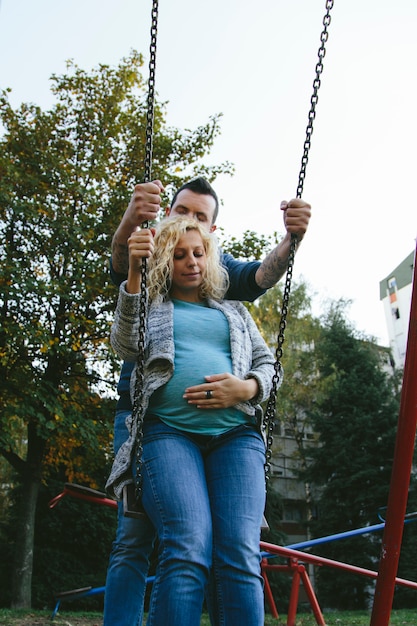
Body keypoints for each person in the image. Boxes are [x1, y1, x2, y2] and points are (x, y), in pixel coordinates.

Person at [103, 176, 311, 625]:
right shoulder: (149, 287)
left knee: (236, 548)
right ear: (167, 213)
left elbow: (260, 279)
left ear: (212, 240)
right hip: (159, 425)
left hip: (233, 432)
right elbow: (124, 300)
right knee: (154, 538)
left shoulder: (229, 305)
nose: (189, 253)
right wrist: (134, 245)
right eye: (182, 212)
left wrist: (248, 387)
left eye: (200, 226)